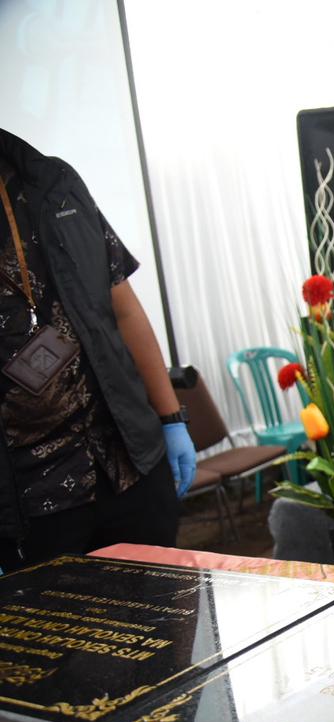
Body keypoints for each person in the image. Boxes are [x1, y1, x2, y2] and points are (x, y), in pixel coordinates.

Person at [0, 129, 195, 570]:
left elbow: (124, 309)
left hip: (130, 466)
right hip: (33, 502)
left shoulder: (52, 182)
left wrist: (170, 420)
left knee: (170, 624)